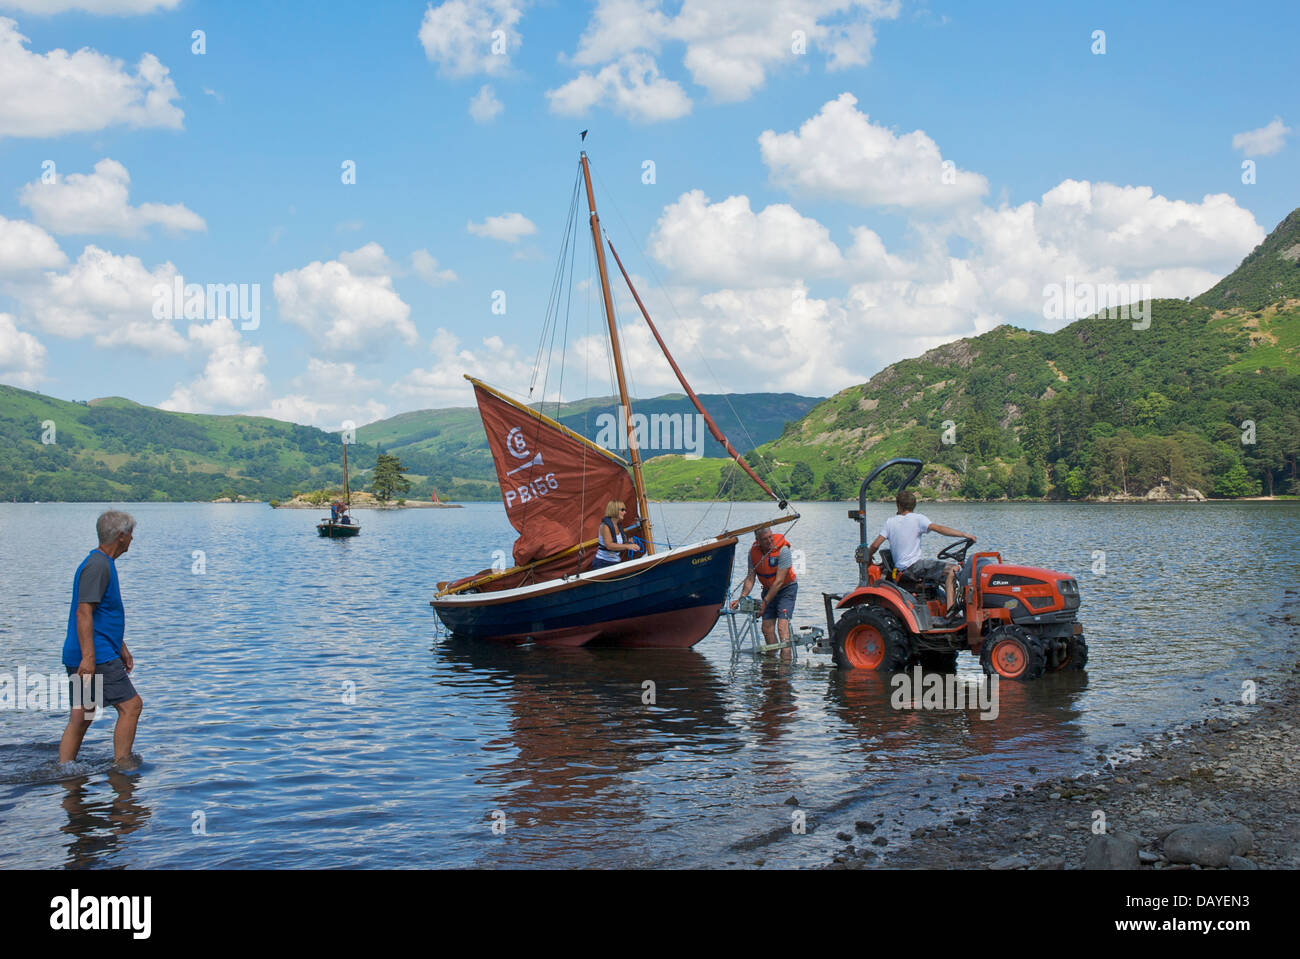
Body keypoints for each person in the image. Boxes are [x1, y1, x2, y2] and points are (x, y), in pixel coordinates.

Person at [59, 510, 143, 769]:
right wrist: (89, 658)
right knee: (131, 706)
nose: (132, 540)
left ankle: (65, 770)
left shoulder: (103, 563)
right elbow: (84, 611)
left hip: (95, 651)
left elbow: (103, 615)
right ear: (120, 536)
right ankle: (123, 768)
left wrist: (122, 647)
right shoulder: (98, 565)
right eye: (130, 535)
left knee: (83, 715)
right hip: (95, 654)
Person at [865, 490, 975, 616]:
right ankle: (952, 613)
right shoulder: (918, 519)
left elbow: (875, 545)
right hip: (913, 568)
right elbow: (939, 529)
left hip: (903, 568)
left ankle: (945, 607)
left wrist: (867, 558)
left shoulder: (890, 522)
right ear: (914, 505)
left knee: (947, 573)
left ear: (899, 505)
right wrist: (963, 534)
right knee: (953, 570)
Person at [731, 527, 798, 651]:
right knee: (766, 628)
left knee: (782, 628)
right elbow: (750, 578)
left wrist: (764, 603)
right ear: (758, 541)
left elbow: (779, 582)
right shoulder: (753, 553)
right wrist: (741, 598)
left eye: (770, 537)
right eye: (765, 539)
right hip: (768, 590)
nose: (769, 541)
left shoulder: (784, 550)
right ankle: (772, 661)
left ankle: (786, 664)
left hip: (786, 589)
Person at [592, 500, 638, 569]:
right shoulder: (605, 526)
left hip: (615, 562)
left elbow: (619, 543)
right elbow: (609, 546)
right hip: (603, 563)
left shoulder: (617, 525)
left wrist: (629, 543)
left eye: (625, 510)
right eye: (622, 510)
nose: (625, 512)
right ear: (614, 510)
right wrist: (628, 546)